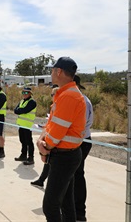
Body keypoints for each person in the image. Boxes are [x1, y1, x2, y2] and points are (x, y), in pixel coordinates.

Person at [36, 57, 86, 221]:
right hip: (67, 154)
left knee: (50, 206)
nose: (50, 73)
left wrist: (45, 146)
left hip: (64, 156)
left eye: (52, 70)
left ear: (58, 71)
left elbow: (57, 132)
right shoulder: (65, 94)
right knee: (66, 202)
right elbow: (52, 123)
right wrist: (43, 140)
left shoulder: (68, 96)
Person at [73, 75, 93, 222]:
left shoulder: (82, 101)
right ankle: (73, 209)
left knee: (77, 175)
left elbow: (79, 126)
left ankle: (79, 212)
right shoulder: (79, 99)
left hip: (81, 141)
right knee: (73, 175)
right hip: (79, 140)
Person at [31, 86, 59, 188]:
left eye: (52, 95)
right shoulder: (54, 106)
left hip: (55, 142)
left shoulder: (59, 107)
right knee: (48, 163)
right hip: (50, 138)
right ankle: (41, 180)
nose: (51, 97)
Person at [14, 87, 37, 165]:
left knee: (29, 142)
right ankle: (23, 155)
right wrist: (20, 110)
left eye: (26, 93)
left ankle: (31, 158)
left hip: (28, 125)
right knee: (22, 140)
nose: (24, 94)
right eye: (23, 93)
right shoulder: (22, 101)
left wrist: (20, 110)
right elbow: (15, 110)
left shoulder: (32, 102)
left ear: (30, 93)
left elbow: (24, 110)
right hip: (21, 124)